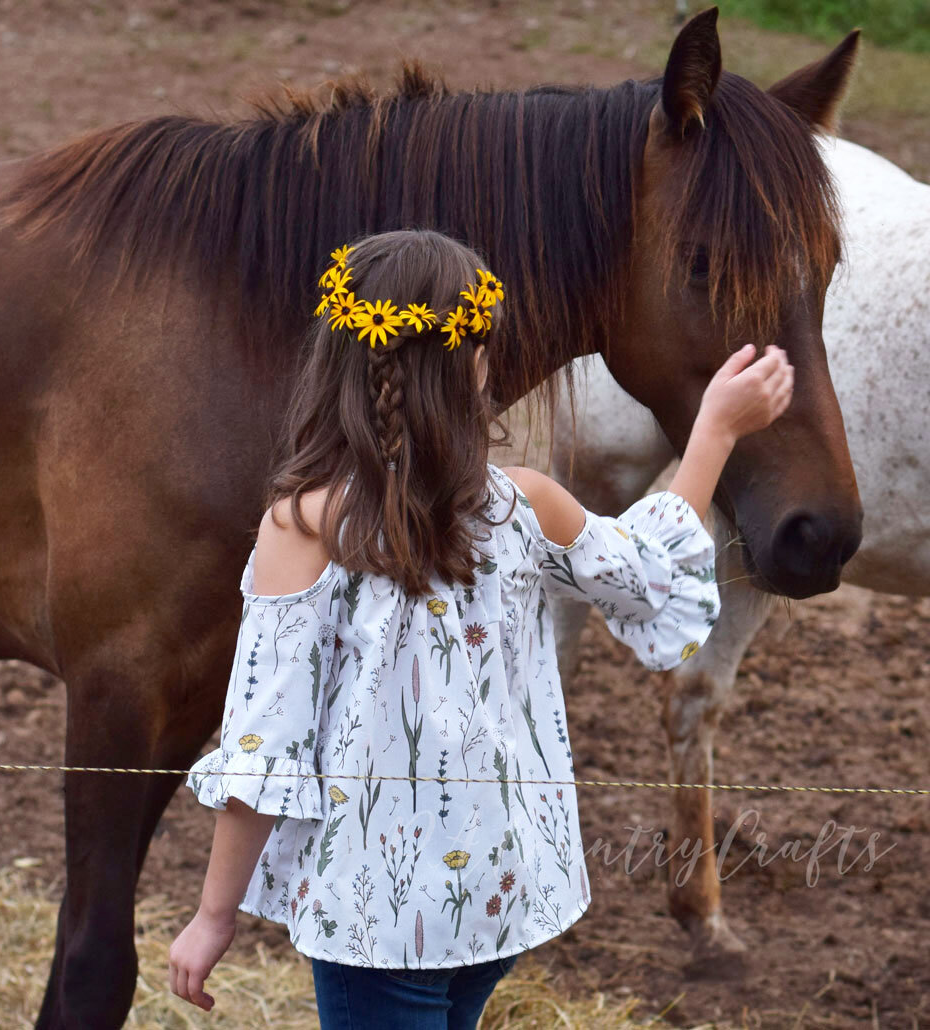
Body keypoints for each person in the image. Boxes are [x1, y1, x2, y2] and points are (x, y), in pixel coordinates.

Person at [169, 229, 793, 1028]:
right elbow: (649, 570)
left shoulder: (305, 526)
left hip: (379, 920)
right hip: (502, 892)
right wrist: (713, 431)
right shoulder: (523, 504)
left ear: (336, 359)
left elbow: (265, 741)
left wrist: (213, 915)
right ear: (472, 367)